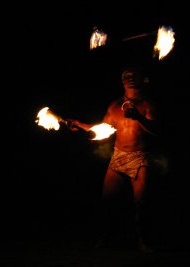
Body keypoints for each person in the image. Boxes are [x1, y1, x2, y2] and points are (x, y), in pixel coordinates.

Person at [70, 64, 162, 254]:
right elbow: (103, 129)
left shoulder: (147, 105)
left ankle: (144, 240)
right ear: (122, 81)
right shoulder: (114, 105)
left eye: (133, 74)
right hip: (119, 156)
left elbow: (158, 132)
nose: (129, 77)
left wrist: (139, 117)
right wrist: (81, 125)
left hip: (140, 157)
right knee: (107, 201)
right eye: (125, 75)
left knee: (142, 204)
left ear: (142, 79)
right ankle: (108, 236)